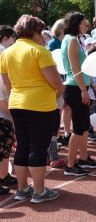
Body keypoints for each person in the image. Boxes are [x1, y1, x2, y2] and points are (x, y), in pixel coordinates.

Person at [0, 15, 64, 203]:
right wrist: (61, 89)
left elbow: (8, 84)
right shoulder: (40, 51)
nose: (43, 37)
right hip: (40, 105)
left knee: (22, 146)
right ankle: (39, 191)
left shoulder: (7, 53)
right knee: (38, 148)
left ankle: (22, 189)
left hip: (17, 103)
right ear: (34, 31)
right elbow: (55, 82)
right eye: (40, 32)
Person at [61, 12, 96, 177]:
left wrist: (89, 86)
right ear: (76, 23)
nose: (87, 23)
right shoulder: (70, 40)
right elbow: (74, 68)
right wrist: (84, 90)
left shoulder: (75, 40)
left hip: (79, 87)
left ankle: (83, 158)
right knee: (78, 129)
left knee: (84, 127)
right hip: (75, 88)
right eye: (84, 21)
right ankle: (70, 165)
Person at [0, 25, 17, 195]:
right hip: (3, 114)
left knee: (5, 148)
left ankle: (4, 175)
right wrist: (13, 115)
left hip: (5, 114)